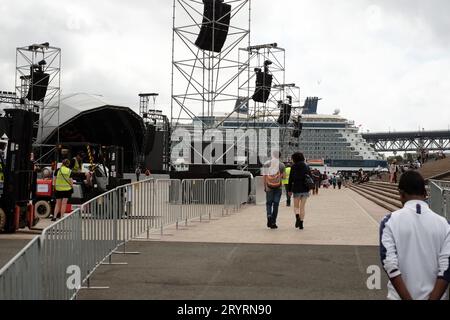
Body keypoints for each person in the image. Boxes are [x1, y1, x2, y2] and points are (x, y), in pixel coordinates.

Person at [380, 171, 450, 300]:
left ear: (401, 194)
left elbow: (390, 264)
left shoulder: (389, 221)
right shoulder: (445, 225)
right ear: (425, 194)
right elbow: (446, 269)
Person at [287, 152, 311, 230]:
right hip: (305, 189)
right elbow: (310, 177)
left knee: (296, 206)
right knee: (302, 207)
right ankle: (301, 223)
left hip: (296, 188)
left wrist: (289, 190)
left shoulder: (293, 166)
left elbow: (290, 179)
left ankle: (297, 217)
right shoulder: (307, 166)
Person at [263, 150, 285, 229]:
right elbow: (284, 177)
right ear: (279, 156)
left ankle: (269, 216)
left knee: (269, 203)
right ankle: (273, 222)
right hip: (278, 187)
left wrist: (265, 186)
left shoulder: (266, 164)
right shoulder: (282, 165)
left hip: (269, 186)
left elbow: (264, 176)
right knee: (276, 204)